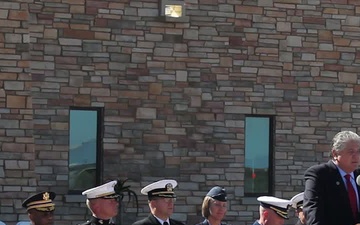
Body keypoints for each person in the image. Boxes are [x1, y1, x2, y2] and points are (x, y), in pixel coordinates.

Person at [303, 130, 360, 225]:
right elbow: (313, 214)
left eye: (359, 151)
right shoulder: (319, 175)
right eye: (351, 152)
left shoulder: (358, 176)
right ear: (335, 154)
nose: (356, 156)